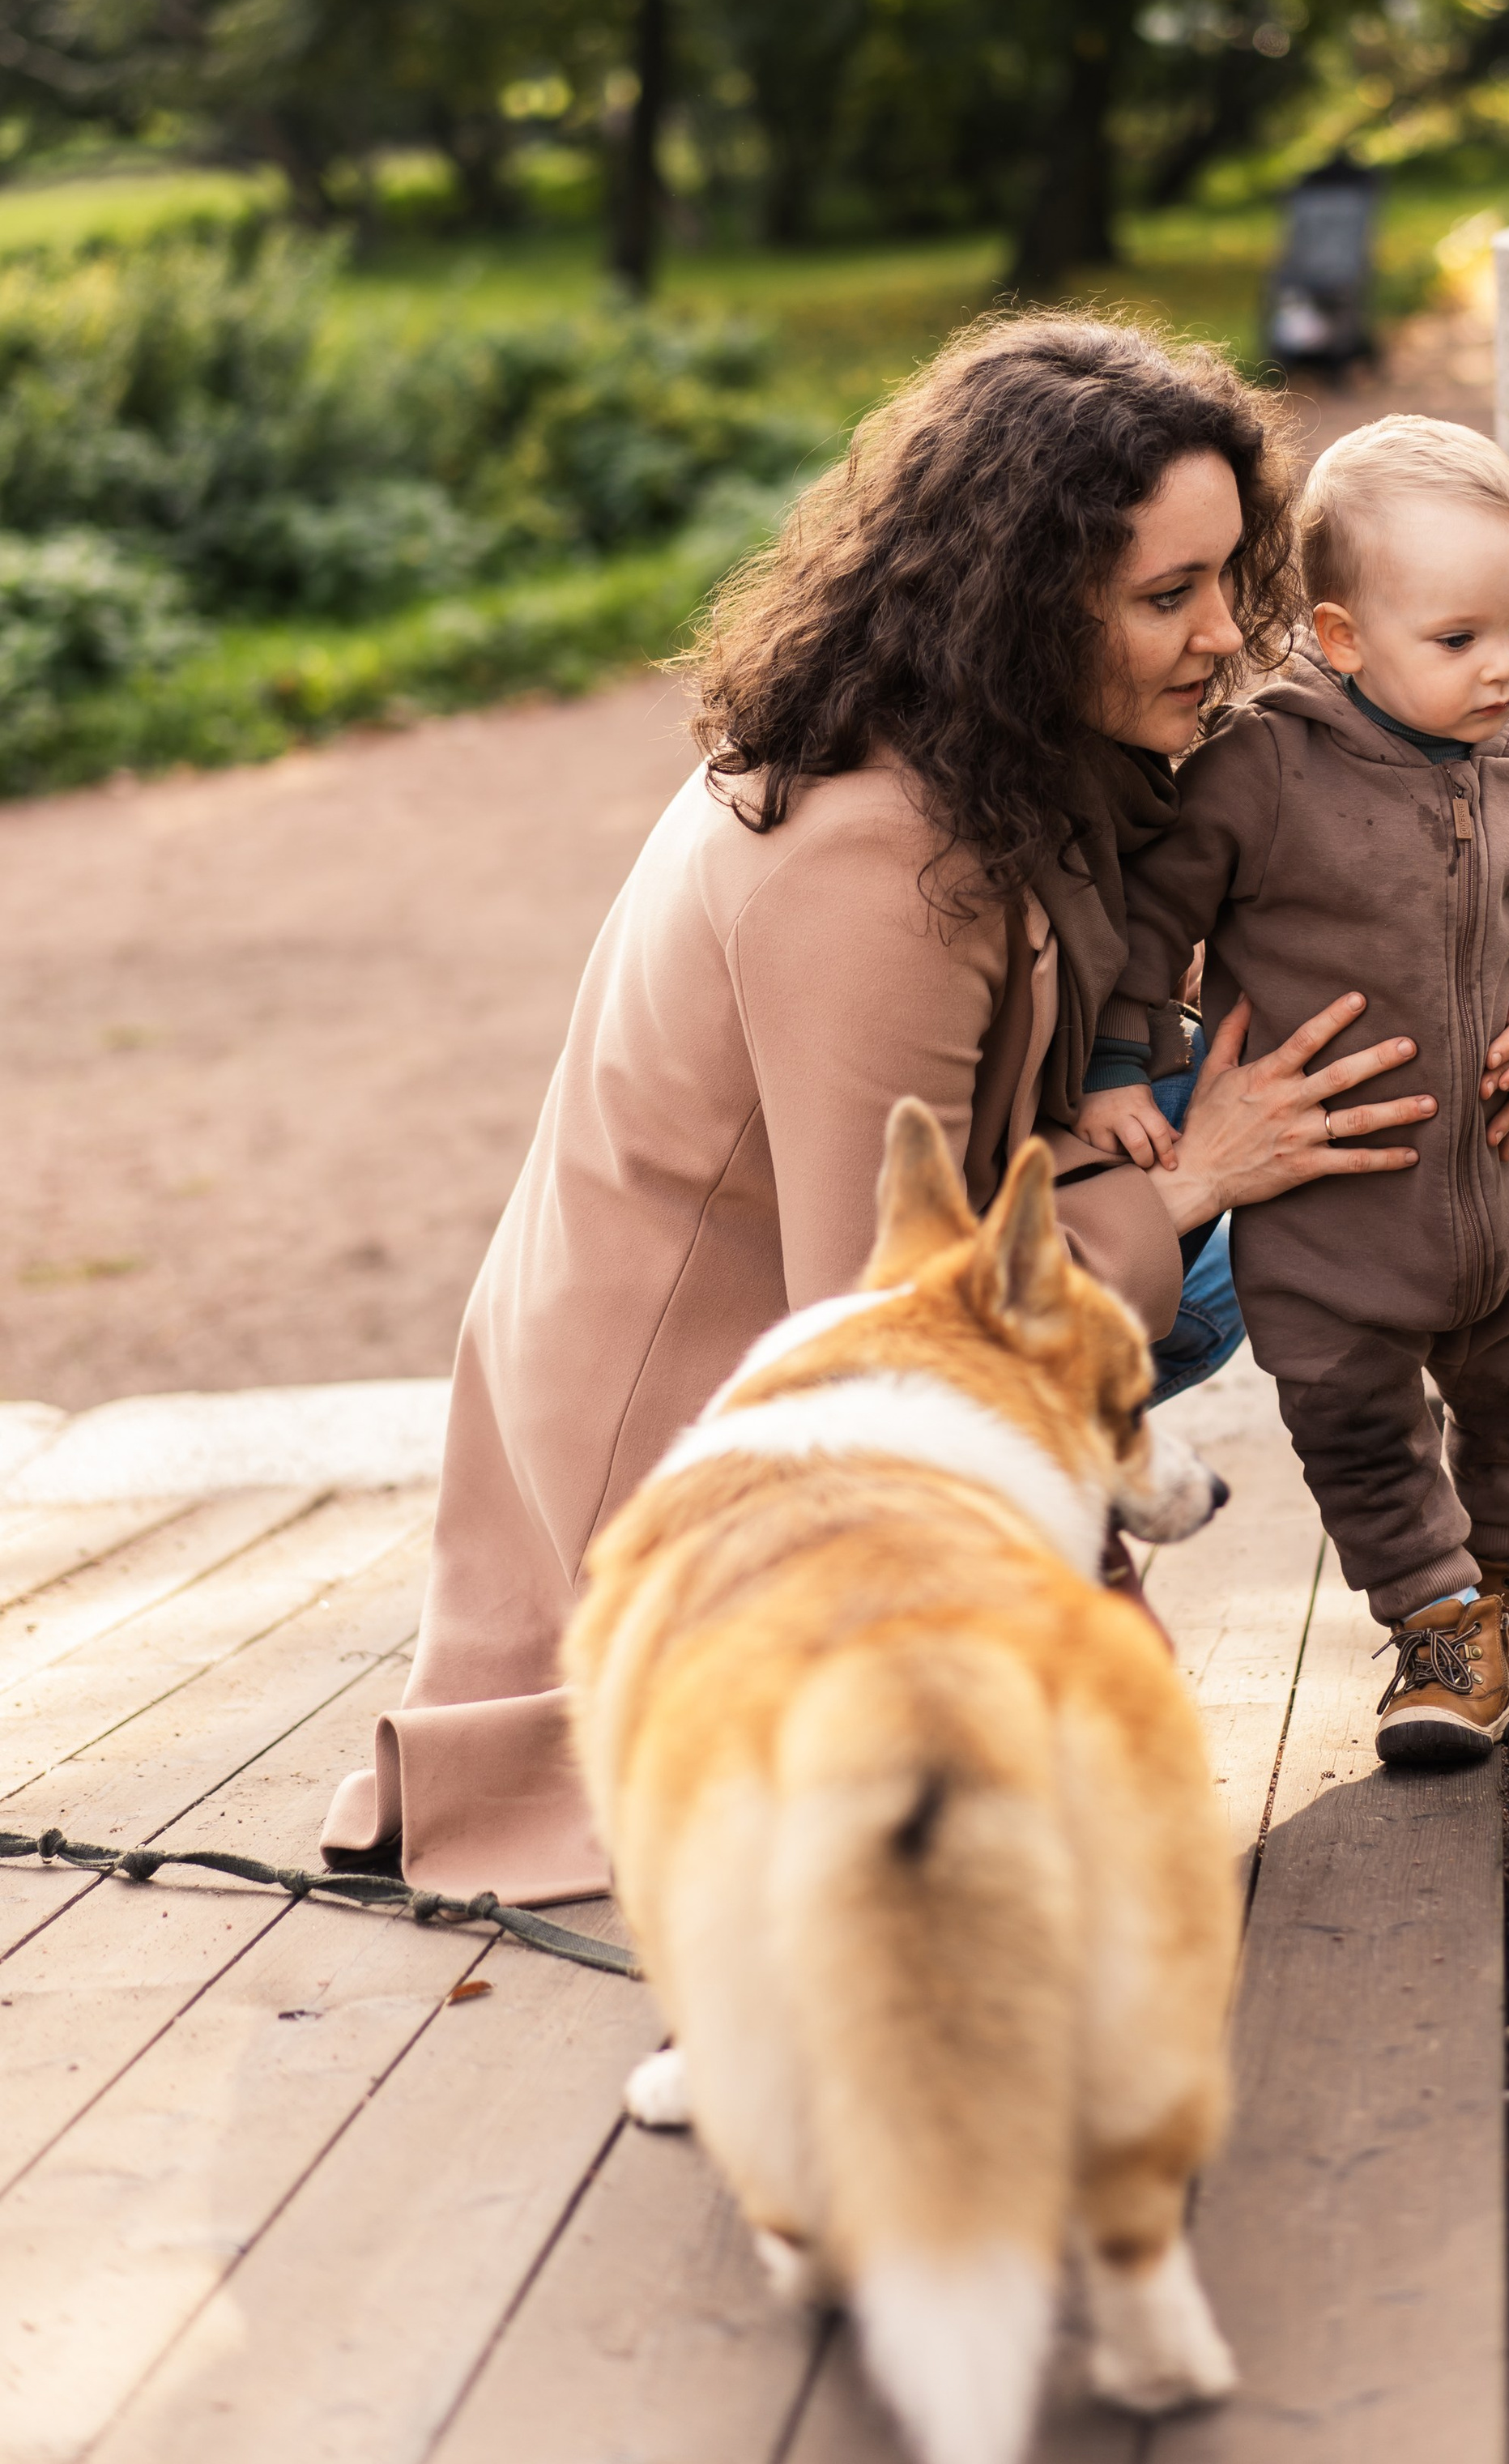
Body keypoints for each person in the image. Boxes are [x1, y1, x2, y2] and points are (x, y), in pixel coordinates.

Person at [320, 315, 1447, 1902]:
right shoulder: (870, 860)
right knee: (1268, 1151)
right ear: (1020, 606)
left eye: (1226, 578)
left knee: (1349, 1064)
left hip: (838, 1338)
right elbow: (878, 1319)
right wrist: (1192, 1182)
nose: (1221, 634)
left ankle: (1468, 1575)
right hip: (717, 1459)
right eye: (1163, 596)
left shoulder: (998, 760)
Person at [1081, 414, 1509, 1767]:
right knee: (1357, 1426)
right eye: (1457, 641)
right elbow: (1147, 925)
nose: (1505, 668)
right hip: (1333, 1220)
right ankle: (1436, 1623)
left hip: (1501, 1209)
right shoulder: (1259, 772)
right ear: (1341, 639)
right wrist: (1121, 1067)